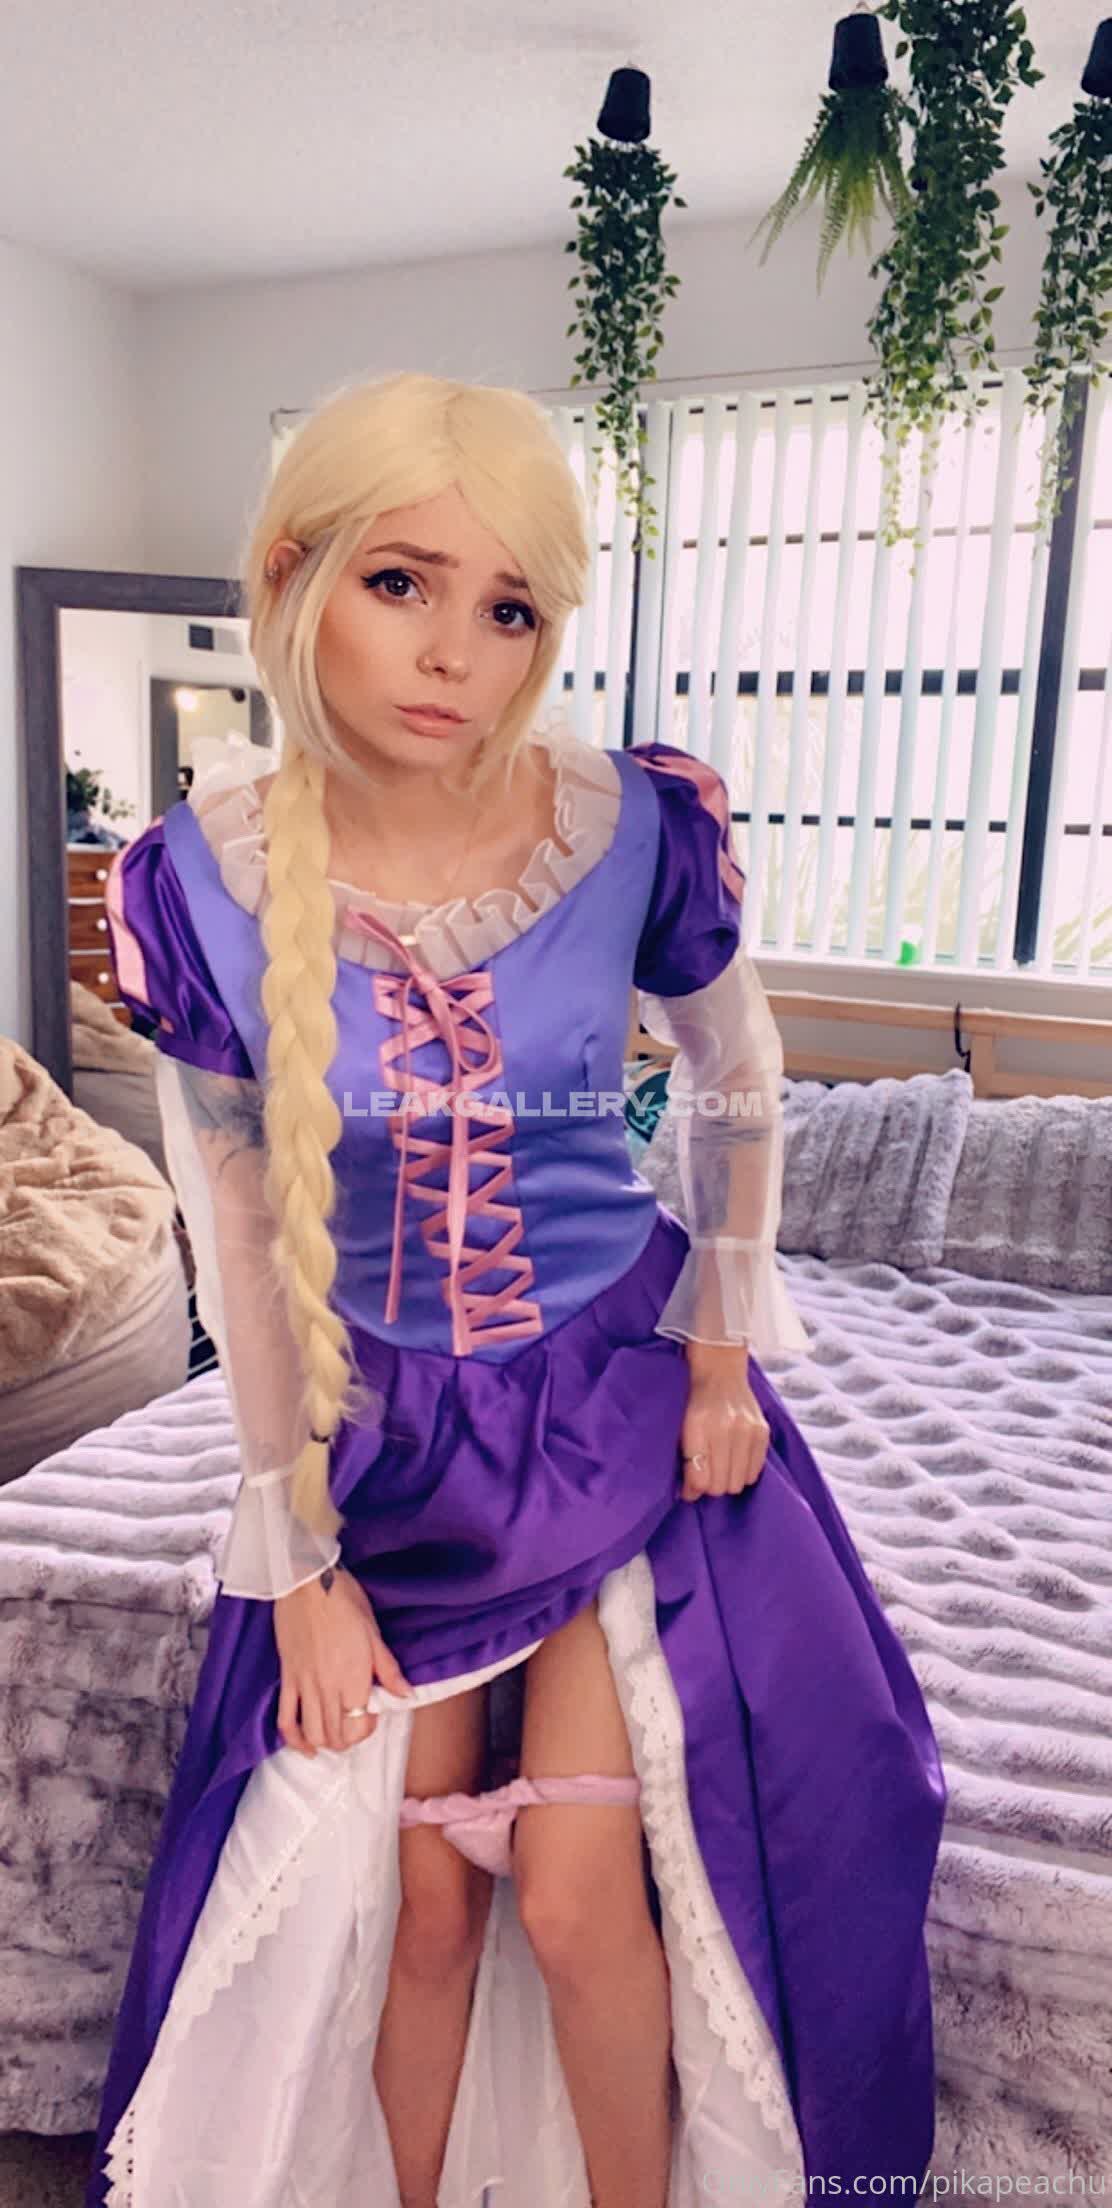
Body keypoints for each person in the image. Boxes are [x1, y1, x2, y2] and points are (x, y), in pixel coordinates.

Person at [87, 369, 946, 2208]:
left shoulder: (627, 824)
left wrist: (722, 1357)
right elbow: (238, 1238)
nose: (454, 655)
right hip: (386, 1443)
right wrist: (295, 1561)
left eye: (509, 609)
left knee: (573, 1894)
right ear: (294, 573)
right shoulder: (200, 882)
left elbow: (736, 1075)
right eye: (402, 582)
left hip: (619, 1397)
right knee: (415, 1910)